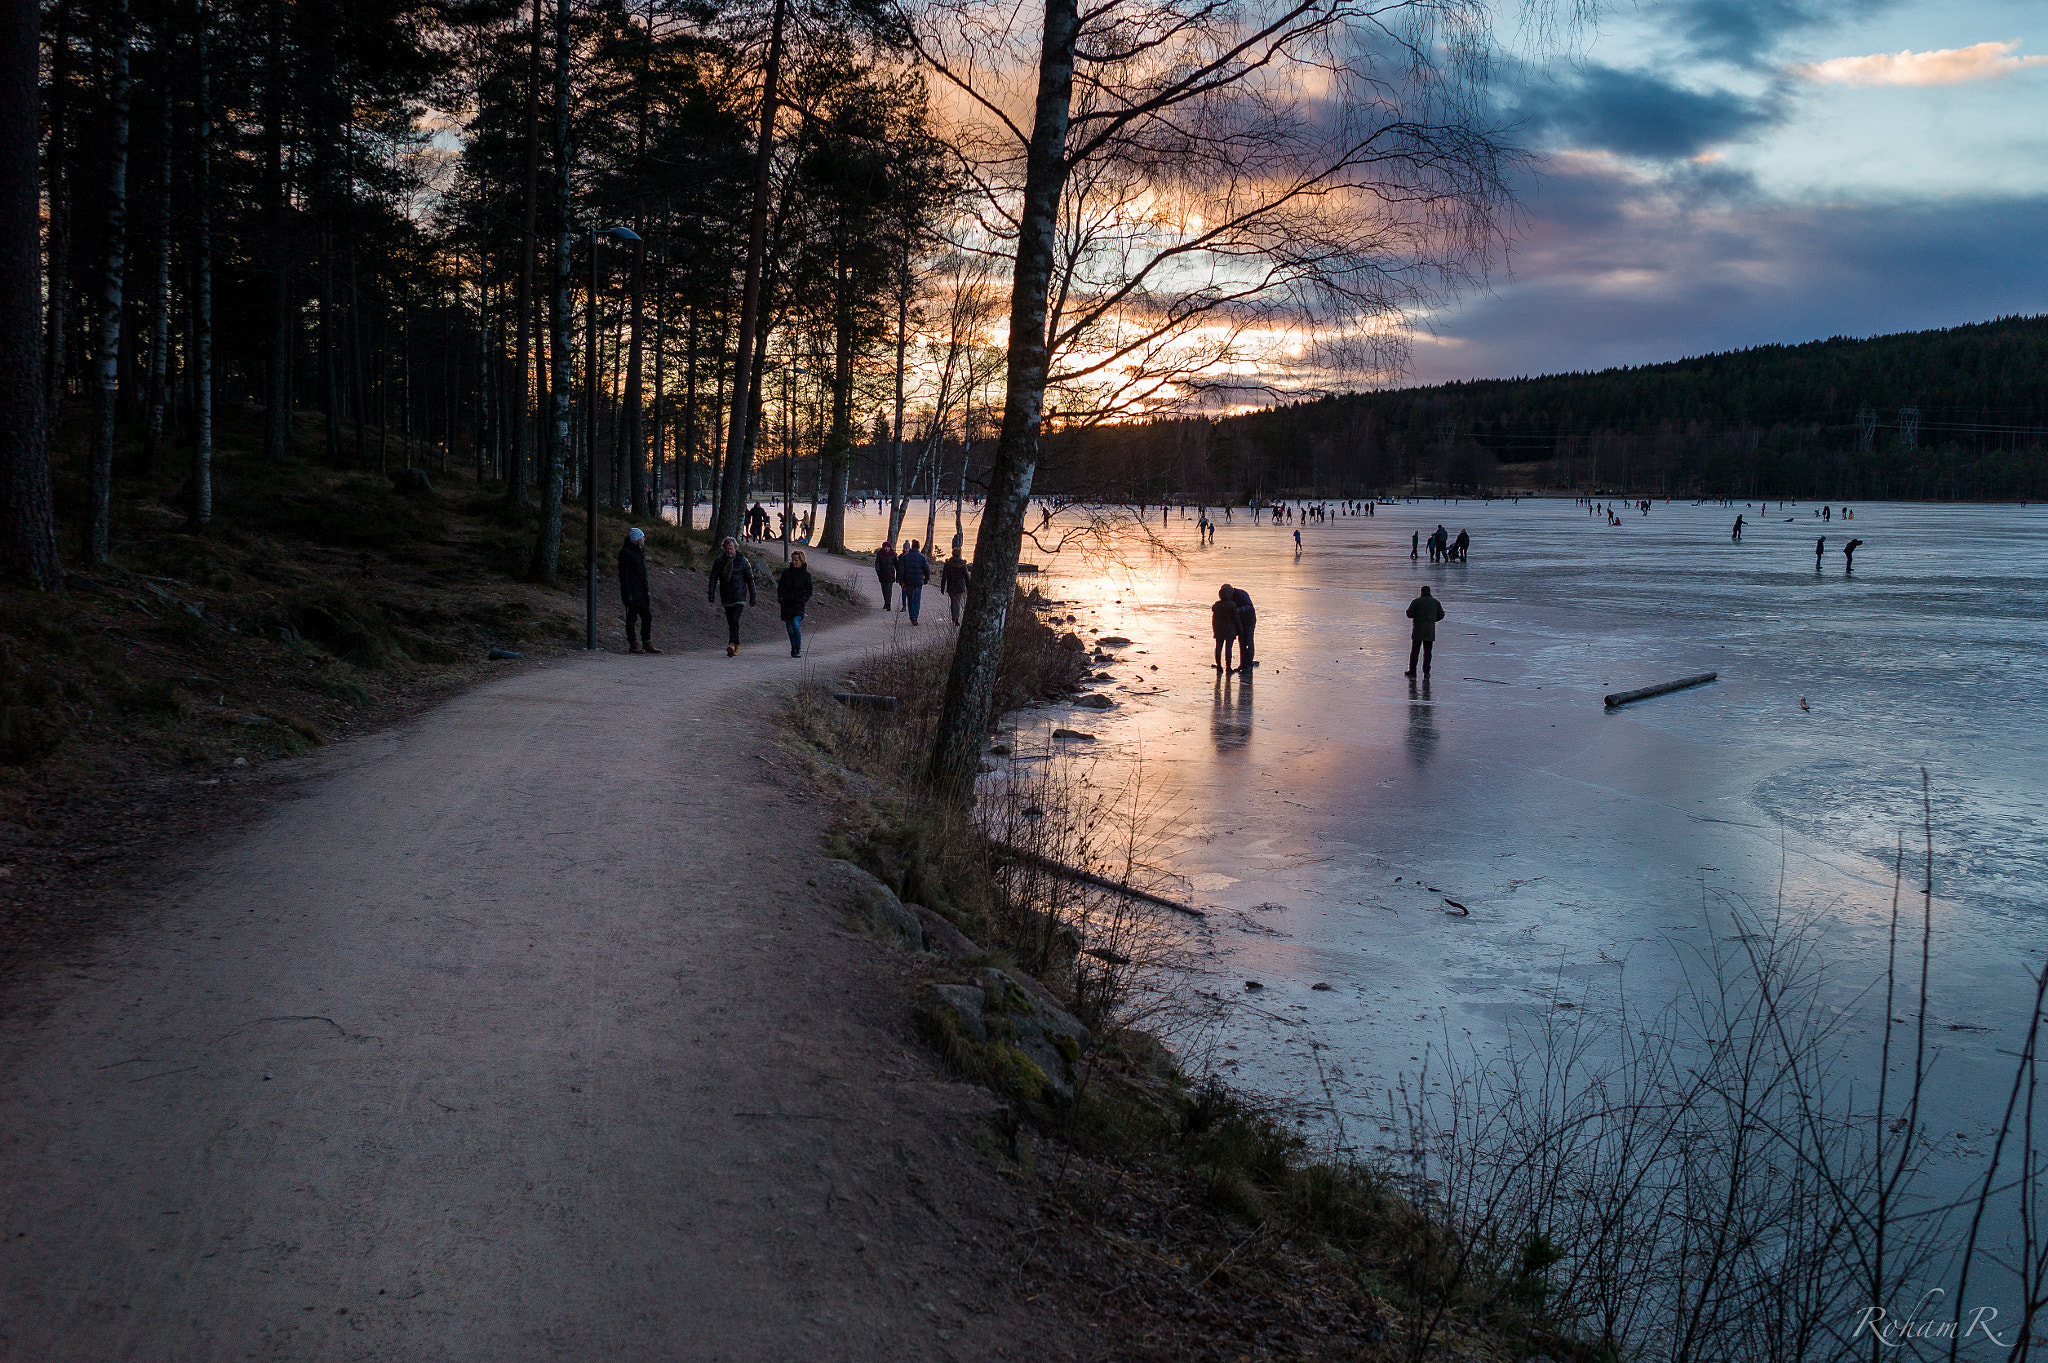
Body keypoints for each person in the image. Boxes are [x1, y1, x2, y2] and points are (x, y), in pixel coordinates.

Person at [705, 536, 757, 656]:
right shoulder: (719, 562)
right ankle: (735, 644)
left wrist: (753, 596)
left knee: (734, 619)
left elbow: (750, 579)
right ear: (724, 549)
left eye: (731, 548)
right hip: (726, 595)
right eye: (727, 549)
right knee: (731, 621)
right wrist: (711, 593)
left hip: (739, 596)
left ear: (735, 548)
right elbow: (713, 578)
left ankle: (732, 644)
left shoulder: (743, 561)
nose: (729, 551)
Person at [618, 526, 659, 654]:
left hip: (641, 591)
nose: (644, 539)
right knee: (632, 618)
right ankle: (633, 643)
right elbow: (624, 576)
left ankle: (646, 642)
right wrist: (627, 594)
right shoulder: (626, 554)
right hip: (632, 591)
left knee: (647, 617)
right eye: (641, 537)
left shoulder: (640, 553)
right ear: (635, 540)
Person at [777, 550, 814, 657]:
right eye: (792, 560)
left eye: (796, 560)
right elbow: (780, 587)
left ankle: (797, 648)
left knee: (795, 624)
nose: (793, 562)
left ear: (802, 561)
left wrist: (802, 600)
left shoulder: (806, 575)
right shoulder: (786, 573)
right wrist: (781, 599)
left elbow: (809, 591)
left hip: (798, 604)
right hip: (786, 603)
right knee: (789, 627)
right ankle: (793, 647)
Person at [1405, 584, 1444, 677]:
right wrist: (1432, 620)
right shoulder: (1435, 602)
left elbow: (1409, 614)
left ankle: (1412, 671)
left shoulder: (1416, 602)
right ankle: (1426, 671)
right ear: (1429, 592)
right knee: (1428, 652)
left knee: (1415, 651)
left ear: (1421, 592)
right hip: (1430, 631)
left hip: (1418, 630)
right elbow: (1441, 615)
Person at [898, 539, 931, 624]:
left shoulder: (905, 556)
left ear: (911, 547)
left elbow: (901, 570)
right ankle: (915, 616)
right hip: (918, 582)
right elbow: (927, 569)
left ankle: (912, 616)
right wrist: (926, 579)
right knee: (917, 599)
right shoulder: (922, 557)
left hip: (908, 581)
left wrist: (901, 581)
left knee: (910, 598)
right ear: (919, 547)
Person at [1226, 584, 1257, 669]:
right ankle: (1243, 664)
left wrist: (1240, 610)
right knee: (1242, 642)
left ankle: (1249, 663)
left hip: (1249, 620)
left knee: (1249, 642)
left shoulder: (1241, 594)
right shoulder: (1230, 597)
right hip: (1240, 622)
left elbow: (1250, 606)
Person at [1211, 587, 1239, 672]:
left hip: (1219, 629)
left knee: (1218, 647)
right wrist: (1240, 629)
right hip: (1230, 630)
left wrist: (1214, 629)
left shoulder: (1217, 605)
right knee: (1228, 648)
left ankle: (1219, 666)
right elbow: (1236, 619)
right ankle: (1228, 667)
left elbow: (1214, 618)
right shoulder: (1232, 605)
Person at [940, 548, 971, 624]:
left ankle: (954, 617)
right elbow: (966, 576)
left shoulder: (948, 564)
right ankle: (956, 618)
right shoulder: (962, 564)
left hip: (951, 585)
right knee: (957, 601)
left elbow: (944, 576)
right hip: (959, 586)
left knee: (953, 601)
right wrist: (968, 587)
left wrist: (942, 587)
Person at [874, 539, 898, 610]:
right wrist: (878, 572)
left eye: (888, 547)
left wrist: (898, 574)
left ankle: (888, 603)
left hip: (890, 574)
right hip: (882, 574)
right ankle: (886, 601)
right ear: (883, 547)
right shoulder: (880, 554)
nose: (887, 548)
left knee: (889, 589)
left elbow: (896, 565)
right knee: (884, 589)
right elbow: (877, 564)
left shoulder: (893, 554)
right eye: (885, 547)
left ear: (890, 547)